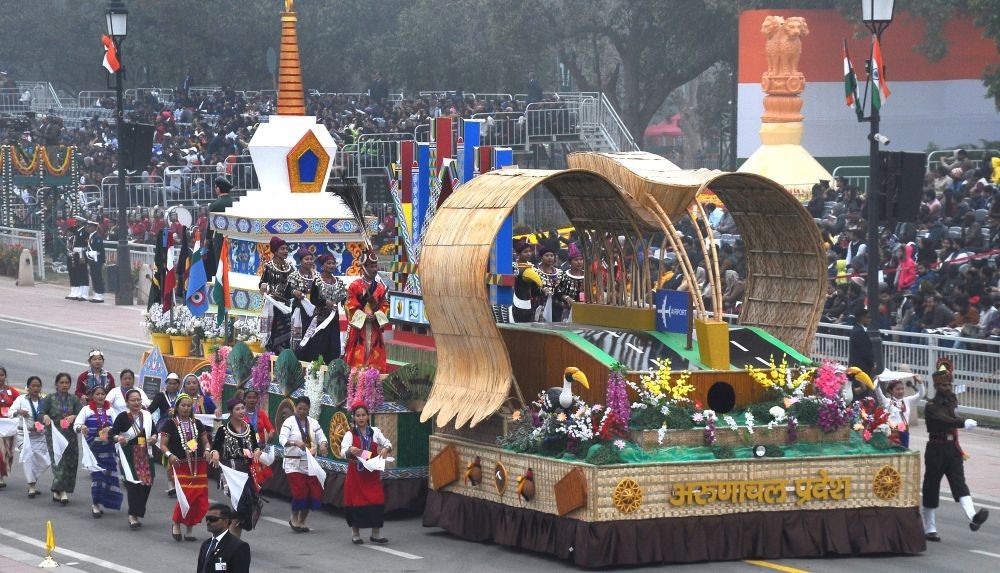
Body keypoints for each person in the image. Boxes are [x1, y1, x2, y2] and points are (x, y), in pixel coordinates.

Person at [922, 362, 989, 541]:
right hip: (936, 448)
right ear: (936, 386)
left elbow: (951, 415)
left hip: (952, 448)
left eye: (949, 384)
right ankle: (930, 528)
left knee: (959, 483)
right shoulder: (931, 406)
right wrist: (962, 423)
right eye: (944, 385)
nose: (948, 388)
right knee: (931, 486)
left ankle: (973, 517)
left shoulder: (950, 400)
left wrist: (962, 420)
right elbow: (943, 420)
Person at [160, 393, 212, 542]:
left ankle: (190, 528)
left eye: (189, 405)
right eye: (183, 405)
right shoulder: (170, 424)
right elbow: (163, 445)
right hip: (180, 464)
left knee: (198, 498)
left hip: (199, 464)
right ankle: (176, 522)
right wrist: (170, 455)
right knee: (187, 496)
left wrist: (207, 450)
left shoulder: (197, 423)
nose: (186, 408)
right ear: (177, 407)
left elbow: (205, 442)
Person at [341, 401, 392, 545]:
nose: (361, 418)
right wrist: (350, 450)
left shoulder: (375, 432)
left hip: (372, 474)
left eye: (363, 415)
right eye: (358, 415)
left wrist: (385, 449)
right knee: (356, 502)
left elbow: (388, 443)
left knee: (377, 500)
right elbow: (342, 452)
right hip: (356, 475)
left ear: (368, 416)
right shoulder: (350, 434)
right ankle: (355, 534)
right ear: (354, 417)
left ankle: (376, 534)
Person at [210, 398, 262, 538]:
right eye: (237, 409)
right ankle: (230, 538)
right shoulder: (223, 430)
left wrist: (257, 451)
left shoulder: (249, 428)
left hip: (246, 471)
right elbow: (215, 447)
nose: (241, 411)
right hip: (231, 470)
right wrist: (214, 453)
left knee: (246, 504)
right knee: (240, 504)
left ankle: (232, 538)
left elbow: (255, 446)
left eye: (242, 408)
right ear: (231, 412)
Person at [279, 396, 329, 533]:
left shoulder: (313, 423)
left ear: (309, 409)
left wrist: (323, 444)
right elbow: (282, 439)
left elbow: (322, 437)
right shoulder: (289, 422)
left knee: (312, 492)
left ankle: (302, 520)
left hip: (309, 463)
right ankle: (294, 517)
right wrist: (295, 443)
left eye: (305, 409)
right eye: (299, 408)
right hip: (293, 463)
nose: (302, 411)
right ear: (295, 408)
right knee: (300, 491)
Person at [108, 388, 156, 529]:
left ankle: (138, 511)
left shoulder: (147, 415)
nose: (136, 403)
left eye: (138, 400)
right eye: (133, 400)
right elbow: (112, 434)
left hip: (145, 453)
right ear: (127, 402)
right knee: (134, 484)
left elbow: (155, 432)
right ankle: (132, 515)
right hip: (129, 454)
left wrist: (154, 437)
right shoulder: (123, 417)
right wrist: (118, 438)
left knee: (147, 483)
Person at [73, 385, 123, 518]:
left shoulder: (111, 410)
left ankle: (106, 501)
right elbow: (76, 425)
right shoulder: (86, 410)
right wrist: (82, 428)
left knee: (109, 477)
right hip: (93, 451)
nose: (100, 396)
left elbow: (117, 427)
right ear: (91, 396)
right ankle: (95, 504)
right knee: (97, 477)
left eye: (102, 394)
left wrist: (110, 429)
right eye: (97, 394)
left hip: (108, 451)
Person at [344, 250, 390, 372]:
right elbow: (349, 305)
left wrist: (377, 316)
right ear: (363, 268)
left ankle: (373, 380)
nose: (374, 269)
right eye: (371, 266)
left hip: (374, 328)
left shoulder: (380, 287)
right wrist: (364, 317)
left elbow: (385, 305)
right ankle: (354, 381)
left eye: (375, 266)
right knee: (357, 357)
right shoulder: (354, 286)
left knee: (375, 357)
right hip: (359, 330)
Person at [298, 254, 347, 362]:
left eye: (333, 263)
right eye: (328, 263)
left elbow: (343, 297)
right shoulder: (317, 281)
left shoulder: (339, 282)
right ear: (323, 266)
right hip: (321, 319)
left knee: (333, 346)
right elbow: (313, 299)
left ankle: (331, 367)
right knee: (319, 346)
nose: (332, 265)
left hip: (334, 320)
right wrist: (325, 302)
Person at [42, 372, 82, 505]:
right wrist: (45, 416)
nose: (64, 385)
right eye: (62, 382)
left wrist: (74, 416)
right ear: (56, 384)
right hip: (54, 435)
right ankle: (62, 490)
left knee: (70, 463)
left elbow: (82, 414)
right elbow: (40, 413)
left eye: (67, 383)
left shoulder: (74, 399)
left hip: (70, 436)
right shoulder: (49, 398)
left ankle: (57, 490)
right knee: (59, 463)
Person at [8, 376, 48, 497]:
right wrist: (19, 412)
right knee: (28, 458)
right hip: (23, 435)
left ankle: (33, 479)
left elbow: (50, 416)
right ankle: (31, 486)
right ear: (28, 387)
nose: (36, 388)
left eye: (38, 386)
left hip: (40, 435)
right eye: (33, 386)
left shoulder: (44, 401)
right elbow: (10, 413)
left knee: (45, 460)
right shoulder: (21, 399)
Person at [259, 236, 294, 353]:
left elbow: (293, 286)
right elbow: (262, 283)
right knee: (273, 334)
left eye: (286, 249)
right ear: (275, 251)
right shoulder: (269, 266)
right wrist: (263, 286)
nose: (285, 251)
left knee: (287, 334)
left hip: (287, 306)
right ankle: (272, 357)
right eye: (282, 249)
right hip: (273, 306)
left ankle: (285, 356)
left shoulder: (290, 268)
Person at [197, 503, 251, 573]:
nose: (208, 522)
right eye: (207, 519)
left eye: (213, 519)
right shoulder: (206, 544)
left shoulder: (239, 547)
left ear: (226, 521)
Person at [875, 377, 926, 448]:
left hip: (904, 432)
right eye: (898, 389)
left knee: (904, 452)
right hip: (892, 433)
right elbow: (879, 393)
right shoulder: (887, 402)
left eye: (902, 388)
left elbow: (921, 395)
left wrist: (920, 382)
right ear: (891, 391)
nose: (901, 391)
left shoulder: (908, 401)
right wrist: (877, 382)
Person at [289, 251, 319, 351]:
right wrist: (294, 292)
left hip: (315, 310)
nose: (309, 261)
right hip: (300, 310)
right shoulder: (294, 275)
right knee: (300, 336)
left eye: (311, 259)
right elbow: (288, 291)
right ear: (300, 261)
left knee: (313, 337)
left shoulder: (317, 276)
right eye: (306, 259)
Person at [243, 390, 274, 485]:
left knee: (259, 478)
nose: (252, 400)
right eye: (249, 397)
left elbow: (270, 428)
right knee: (248, 476)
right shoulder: (240, 414)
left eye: (254, 398)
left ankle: (255, 492)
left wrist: (271, 433)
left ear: (257, 400)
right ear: (244, 399)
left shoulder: (261, 414)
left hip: (259, 449)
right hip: (246, 450)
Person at [205, 177, 234, 278]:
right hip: (233, 236)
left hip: (219, 237)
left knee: (220, 260)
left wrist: (207, 239)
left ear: (218, 189)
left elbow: (210, 225)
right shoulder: (235, 202)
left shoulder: (215, 205)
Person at [512, 241, 543, 323]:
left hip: (529, 301)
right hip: (514, 300)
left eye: (530, 251)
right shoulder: (512, 267)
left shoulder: (533, 268)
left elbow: (536, 287)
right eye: (525, 252)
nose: (529, 254)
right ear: (518, 253)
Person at [555, 244, 585, 322]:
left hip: (585, 310)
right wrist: (567, 298)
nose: (579, 262)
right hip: (567, 310)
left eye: (581, 259)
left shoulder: (587, 276)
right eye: (576, 260)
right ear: (570, 262)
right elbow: (557, 291)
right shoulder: (563, 275)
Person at [0, 366, 19, 488]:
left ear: (5, 376)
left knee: (8, 453)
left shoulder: (12, 391)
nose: (0, 378)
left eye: (1, 375)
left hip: (9, 426)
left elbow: (20, 403)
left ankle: (1, 476)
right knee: (0, 452)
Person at [65, 219, 90, 301]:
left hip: (82, 254)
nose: (76, 223)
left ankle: (84, 294)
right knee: (78, 274)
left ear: (81, 222)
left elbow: (86, 244)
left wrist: (82, 253)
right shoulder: (77, 232)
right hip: (76, 255)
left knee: (83, 274)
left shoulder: (85, 232)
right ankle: (78, 292)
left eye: (78, 222)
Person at [848, 307, 876, 380]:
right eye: (868, 317)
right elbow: (865, 352)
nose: (870, 319)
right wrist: (872, 364)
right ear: (862, 318)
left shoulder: (856, 329)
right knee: (862, 386)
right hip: (862, 368)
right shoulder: (860, 332)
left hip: (857, 367)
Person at [535, 246, 562, 322]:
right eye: (547, 255)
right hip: (540, 305)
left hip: (556, 307)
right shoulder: (535, 272)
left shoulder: (559, 273)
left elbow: (561, 290)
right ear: (541, 257)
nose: (549, 258)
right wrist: (543, 290)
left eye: (551, 256)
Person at [85, 219, 106, 303]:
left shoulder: (97, 237)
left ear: (94, 227)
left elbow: (100, 250)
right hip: (92, 259)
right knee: (94, 277)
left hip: (97, 260)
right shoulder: (91, 236)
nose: (87, 228)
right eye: (87, 227)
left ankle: (99, 295)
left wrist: (102, 261)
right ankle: (96, 294)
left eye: (89, 227)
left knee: (98, 277)